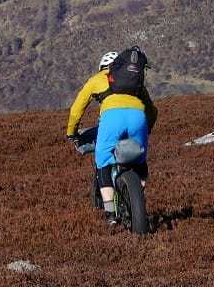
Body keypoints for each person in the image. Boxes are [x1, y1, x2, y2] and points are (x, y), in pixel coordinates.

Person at [66, 50, 158, 225]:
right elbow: (152, 110)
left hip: (112, 119)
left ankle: (110, 213)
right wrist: (147, 129)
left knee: (103, 160)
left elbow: (76, 110)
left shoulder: (96, 79)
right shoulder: (135, 81)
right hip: (138, 117)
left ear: (103, 67)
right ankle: (139, 200)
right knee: (140, 161)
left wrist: (72, 132)